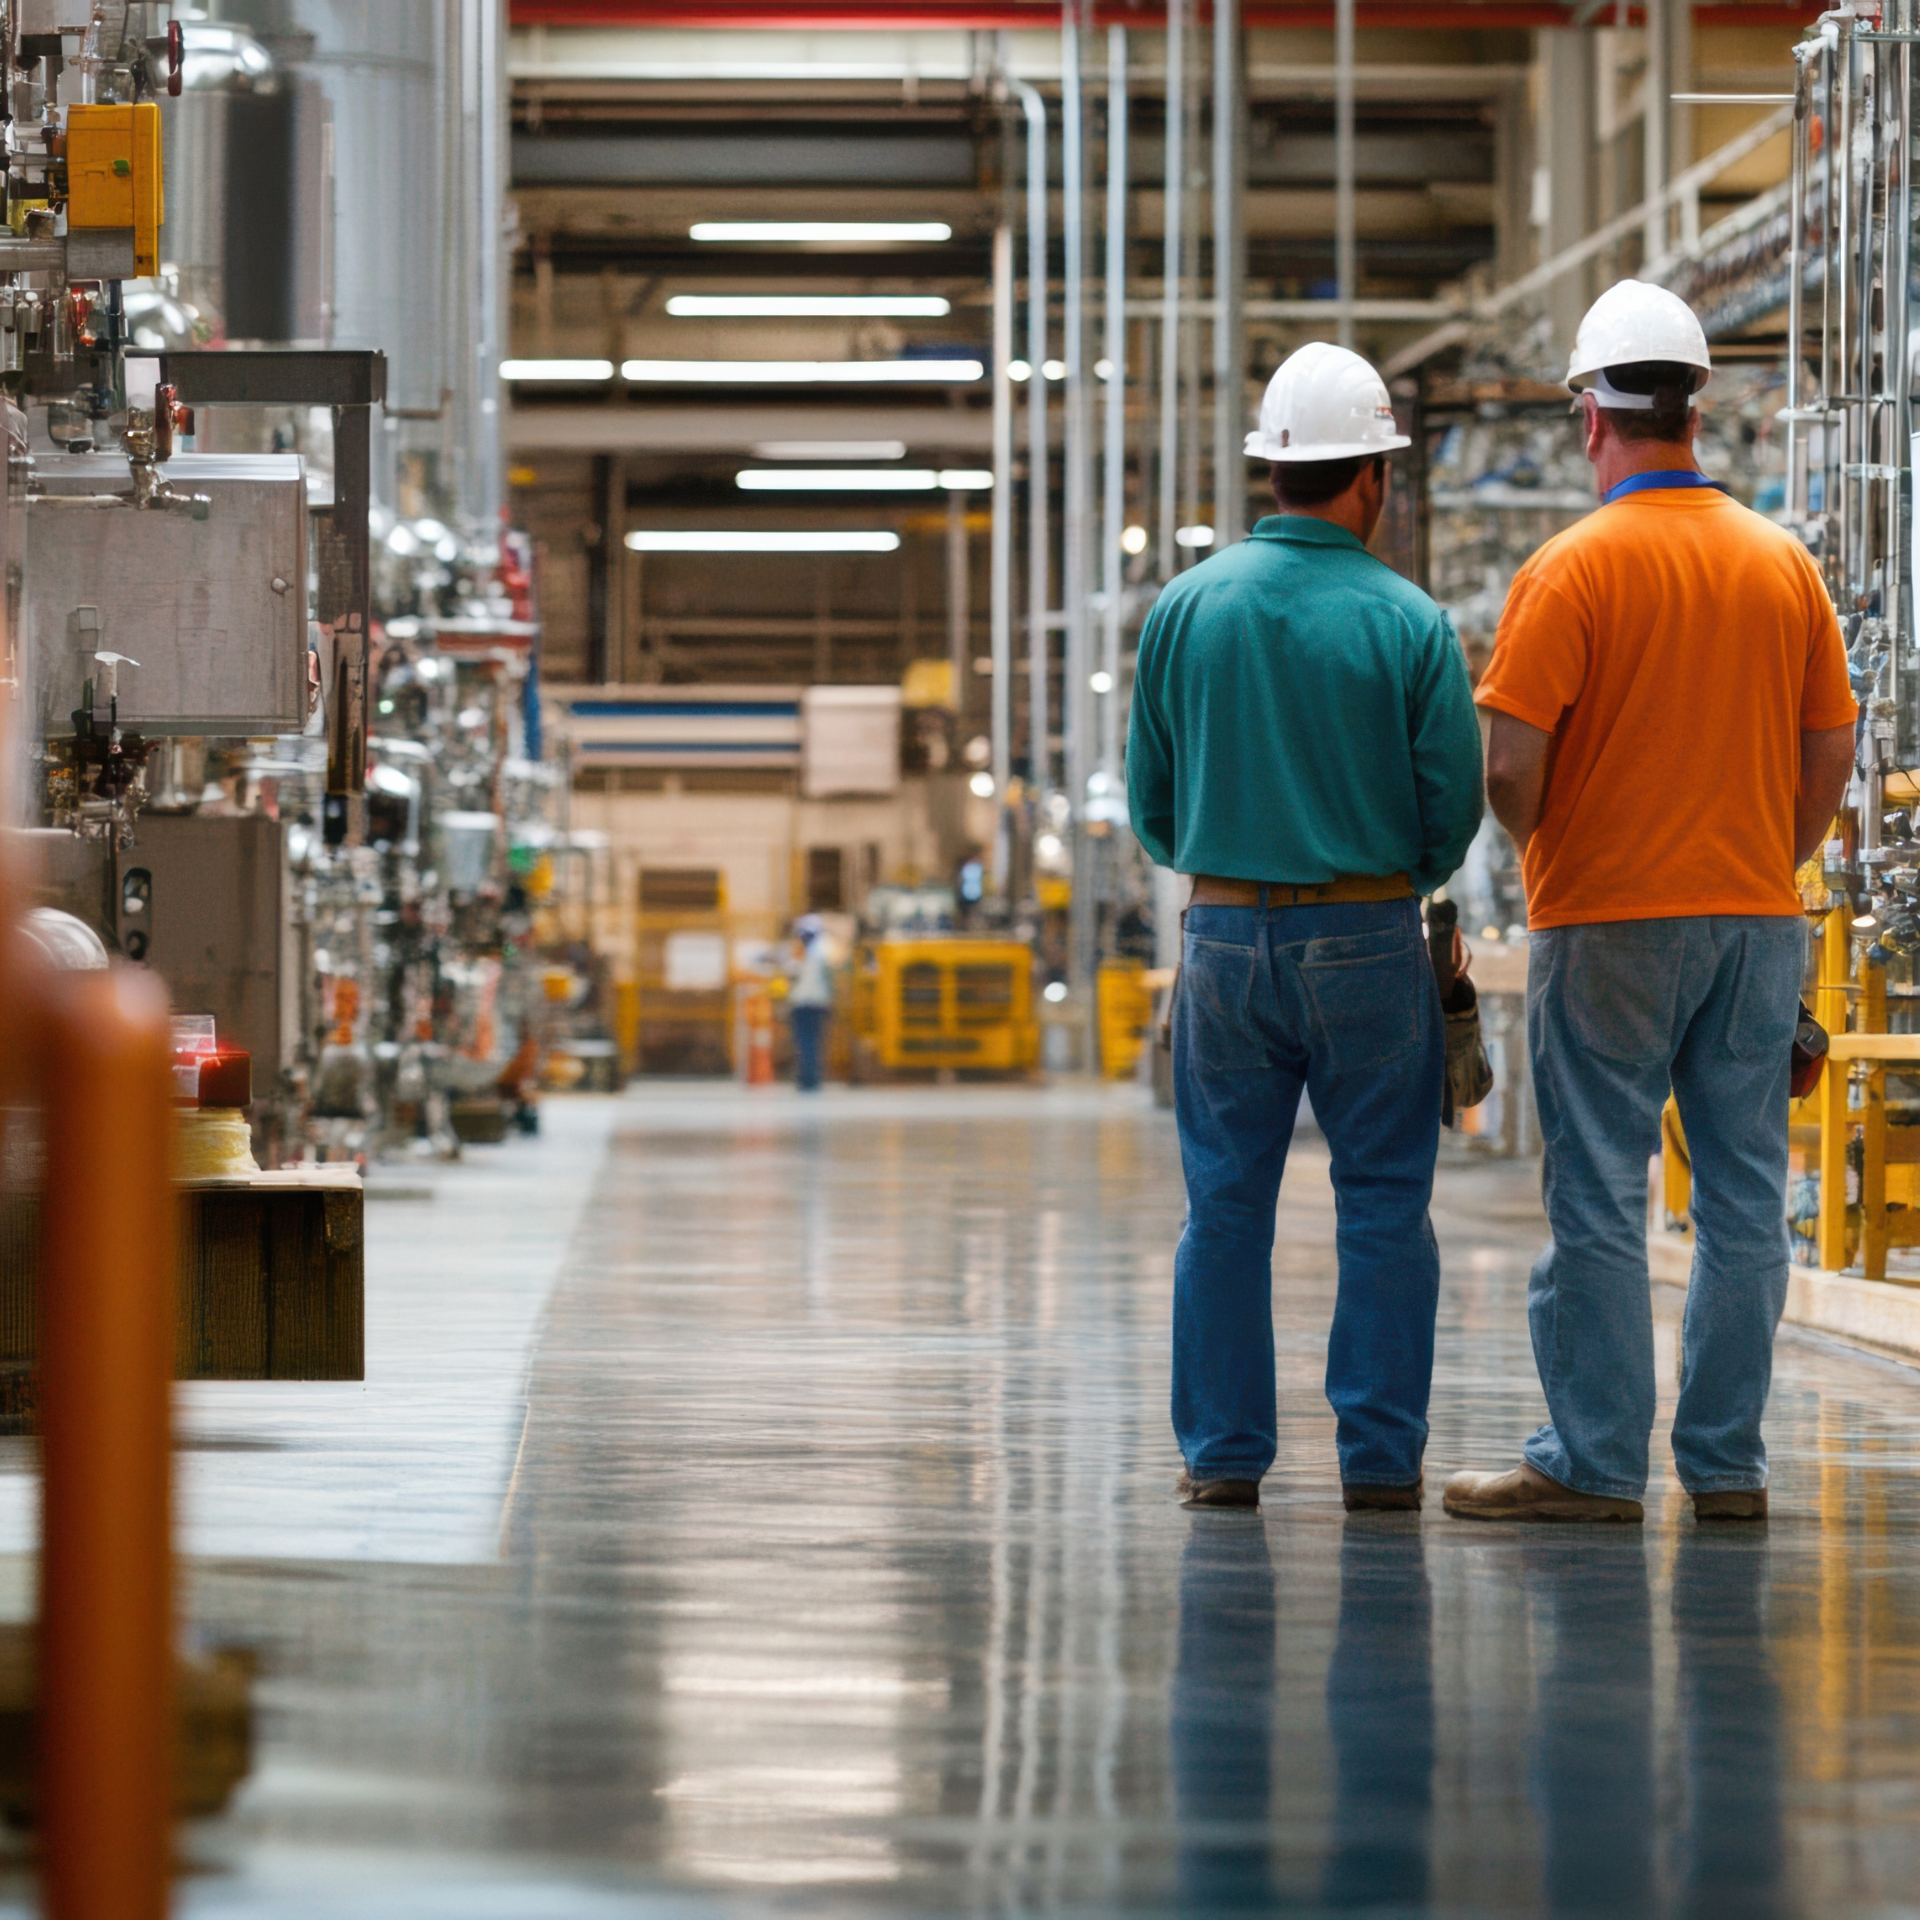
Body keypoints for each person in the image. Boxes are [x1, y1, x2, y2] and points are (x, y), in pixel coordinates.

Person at [1444, 281, 1858, 1526]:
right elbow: (1832, 749)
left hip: (1609, 923)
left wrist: (1555, 846)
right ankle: (1726, 1467)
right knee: (1743, 1201)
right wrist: (1770, 859)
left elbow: (1508, 768)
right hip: (1756, 924)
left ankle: (1595, 1462)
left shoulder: (1569, 571)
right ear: (1696, 410)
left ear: (1590, 418)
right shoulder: (1783, 566)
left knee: (1601, 1196)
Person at [1127, 340, 1484, 1514]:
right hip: (1369, 935)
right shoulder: (1410, 620)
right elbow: (1452, 809)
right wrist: (1386, 878)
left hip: (1223, 939)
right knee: (1382, 1202)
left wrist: (1233, 863)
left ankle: (1223, 1456)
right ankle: (1378, 1461)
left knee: (1224, 1208)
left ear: (1269, 471)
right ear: (1373, 476)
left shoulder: (1185, 609)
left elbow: (1153, 805)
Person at [786, 914, 834, 1093]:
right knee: (810, 1042)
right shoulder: (822, 950)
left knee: (806, 1042)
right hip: (814, 1002)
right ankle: (809, 1078)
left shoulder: (807, 951)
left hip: (806, 1003)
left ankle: (809, 1078)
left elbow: (791, 974)